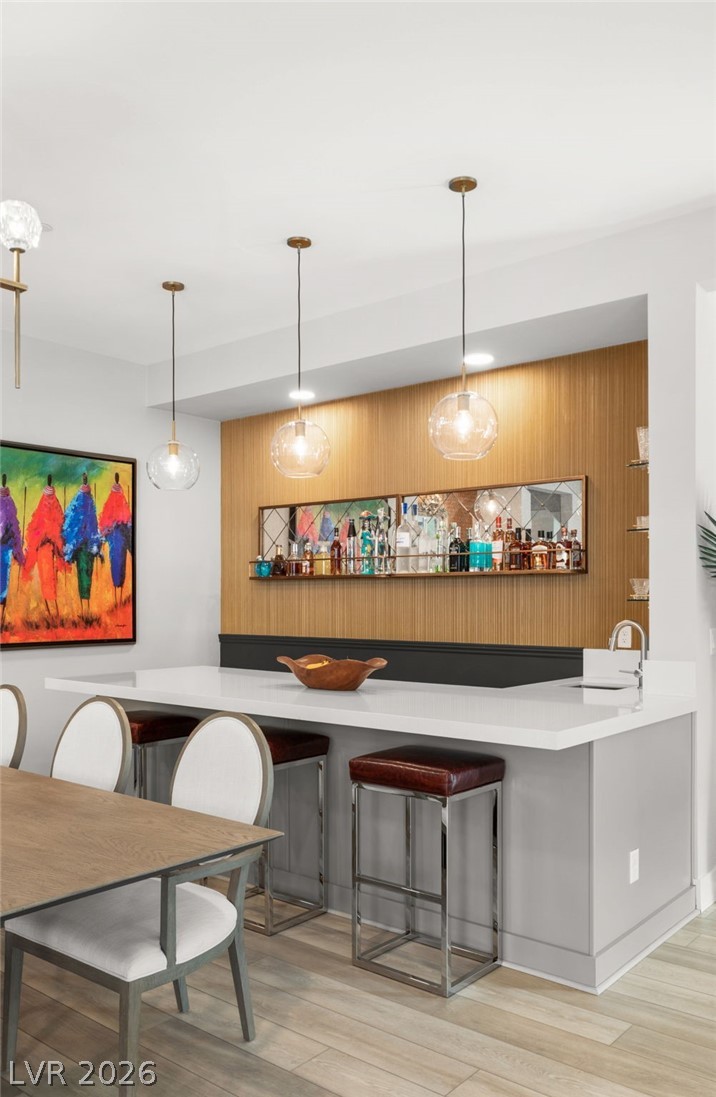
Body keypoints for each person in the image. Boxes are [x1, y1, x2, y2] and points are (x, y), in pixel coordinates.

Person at [22, 474, 69, 621]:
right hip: (44, 549)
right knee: (46, 578)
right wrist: (41, 540)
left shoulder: (56, 507)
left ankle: (55, 612)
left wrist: (57, 542)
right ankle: (51, 613)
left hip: (53, 549)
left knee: (52, 579)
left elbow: (61, 528)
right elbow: (36, 531)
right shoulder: (42, 510)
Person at [62, 472, 102, 618]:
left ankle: (85, 610)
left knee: (84, 576)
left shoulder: (83, 503)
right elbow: (72, 524)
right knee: (85, 575)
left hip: (85, 547)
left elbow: (69, 524)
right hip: (84, 548)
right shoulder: (85, 503)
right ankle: (84, 610)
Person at [99, 472, 132, 606]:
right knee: (118, 566)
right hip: (118, 541)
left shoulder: (116, 503)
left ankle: (118, 598)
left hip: (117, 541)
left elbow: (105, 526)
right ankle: (117, 598)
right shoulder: (120, 503)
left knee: (118, 565)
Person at [0, 473, 25, 630]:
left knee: (3, 585)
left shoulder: (10, 504)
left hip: (5, 552)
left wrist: (17, 550)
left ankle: (1, 620)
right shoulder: (8, 504)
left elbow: (14, 530)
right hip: (5, 550)